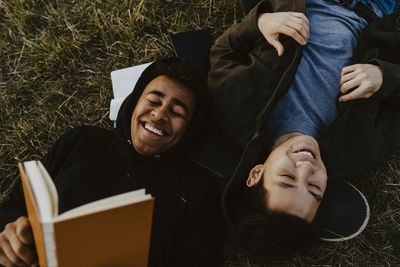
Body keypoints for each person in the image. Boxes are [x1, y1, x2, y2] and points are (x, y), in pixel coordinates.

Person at [203, 0, 400, 261]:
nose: (307, 167)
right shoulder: (357, 150)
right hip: (373, 8)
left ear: (256, 173)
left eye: (286, 177)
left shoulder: (237, 110)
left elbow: (224, 51)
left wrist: (260, 22)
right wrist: (383, 76)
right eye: (314, 189)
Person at [0, 57, 224, 267]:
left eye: (176, 112)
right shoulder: (83, 140)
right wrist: (12, 232)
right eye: (153, 100)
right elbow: (12, 206)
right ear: (134, 103)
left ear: (189, 131)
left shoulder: (198, 192)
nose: (159, 115)